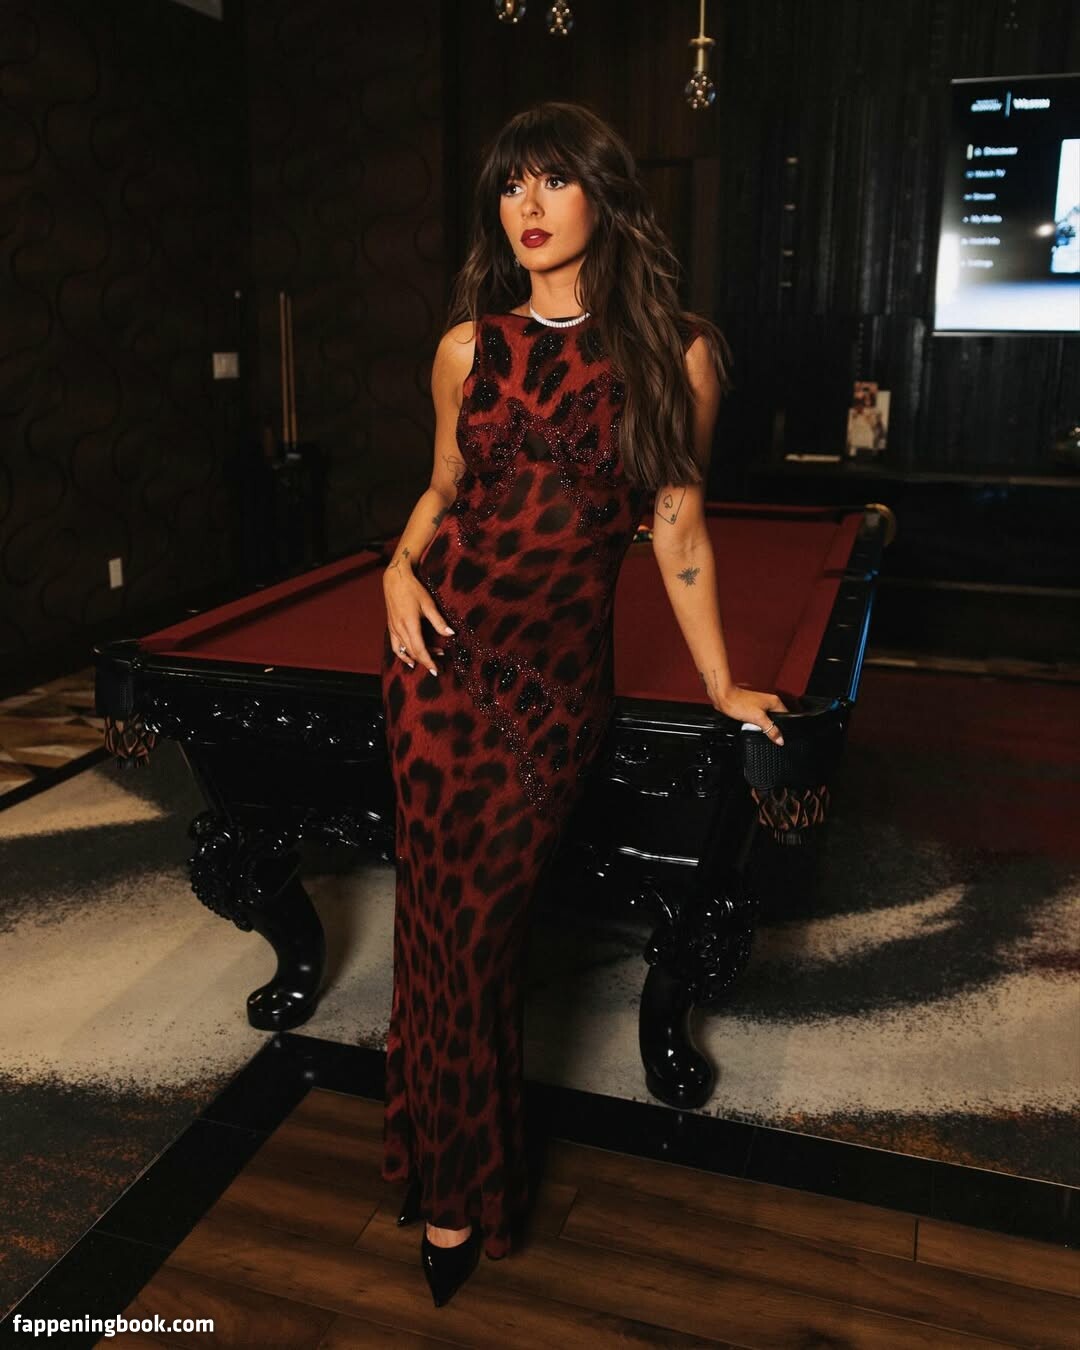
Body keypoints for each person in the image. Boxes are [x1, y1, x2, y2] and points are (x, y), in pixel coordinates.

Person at [379, 100, 787, 1307]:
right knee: (431, 934)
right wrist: (394, 567)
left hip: (549, 705)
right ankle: (449, 1183)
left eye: (555, 180)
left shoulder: (677, 353)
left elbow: (677, 528)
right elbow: (444, 489)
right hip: (434, 675)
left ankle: (451, 1170)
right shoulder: (467, 348)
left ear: (605, 198)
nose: (530, 205)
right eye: (512, 184)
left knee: (477, 941)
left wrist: (719, 683)